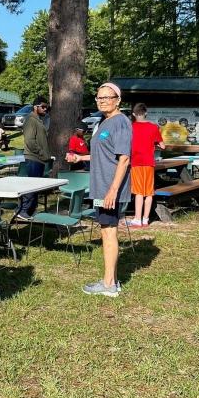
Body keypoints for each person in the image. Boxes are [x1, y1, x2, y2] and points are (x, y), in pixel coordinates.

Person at [67, 82, 131, 298]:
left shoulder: (120, 123)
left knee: (109, 231)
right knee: (106, 230)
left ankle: (109, 284)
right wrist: (79, 157)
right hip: (100, 188)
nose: (103, 100)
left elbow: (124, 160)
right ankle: (109, 279)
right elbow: (103, 155)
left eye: (107, 97)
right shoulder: (105, 122)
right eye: (99, 97)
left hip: (109, 190)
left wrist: (112, 191)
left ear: (118, 100)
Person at [129, 103, 166, 227]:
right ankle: (145, 219)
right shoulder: (154, 127)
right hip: (149, 162)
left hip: (136, 162)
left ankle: (137, 219)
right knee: (149, 192)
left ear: (134, 114)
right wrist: (153, 144)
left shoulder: (131, 127)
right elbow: (163, 146)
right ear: (146, 113)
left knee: (139, 191)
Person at [14, 97, 50, 222]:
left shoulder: (38, 120)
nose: (46, 109)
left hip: (39, 159)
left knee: (35, 187)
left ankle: (30, 210)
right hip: (34, 158)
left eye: (47, 107)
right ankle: (23, 211)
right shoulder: (31, 120)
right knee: (31, 187)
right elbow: (30, 141)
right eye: (43, 106)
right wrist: (42, 154)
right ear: (36, 107)